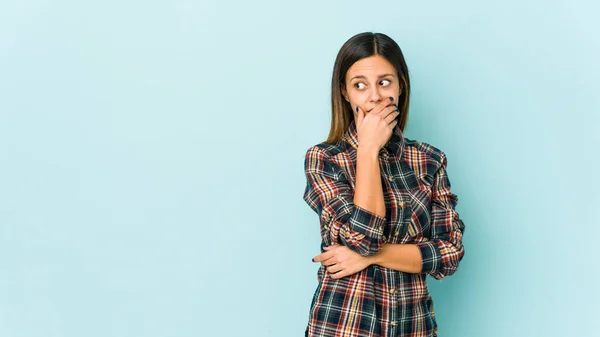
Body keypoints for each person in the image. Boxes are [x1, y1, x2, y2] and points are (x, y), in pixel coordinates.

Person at [302, 32, 466, 337]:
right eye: (359, 85)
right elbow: (363, 238)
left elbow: (449, 253)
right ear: (345, 93)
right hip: (344, 325)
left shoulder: (429, 160)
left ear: (401, 86)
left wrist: (374, 256)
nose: (374, 96)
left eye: (385, 82)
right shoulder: (324, 159)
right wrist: (367, 150)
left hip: (412, 327)